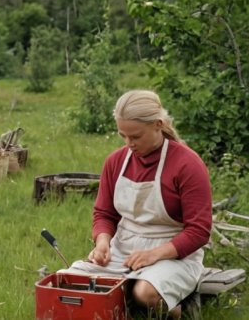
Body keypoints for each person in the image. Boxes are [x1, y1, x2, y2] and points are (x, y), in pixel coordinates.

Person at [63, 90, 212, 319]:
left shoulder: (187, 164)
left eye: (135, 136)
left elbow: (199, 231)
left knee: (145, 292)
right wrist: (103, 243)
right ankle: (129, 296)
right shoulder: (115, 161)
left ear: (158, 125)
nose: (129, 143)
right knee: (69, 281)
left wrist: (155, 254)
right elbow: (104, 213)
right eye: (123, 135)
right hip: (124, 248)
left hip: (175, 252)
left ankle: (175, 308)